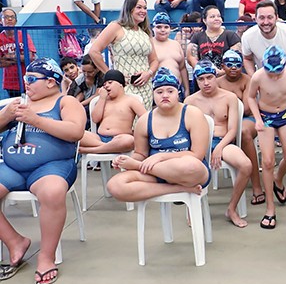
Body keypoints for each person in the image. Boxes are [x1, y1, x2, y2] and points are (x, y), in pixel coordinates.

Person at [0, 59, 85, 284]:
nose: (25, 84)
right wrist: (6, 116)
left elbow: (76, 131)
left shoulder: (65, 102)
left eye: (31, 79)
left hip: (50, 166)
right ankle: (15, 241)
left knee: (52, 192)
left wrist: (35, 120)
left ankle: (46, 257)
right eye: (25, 78)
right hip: (11, 168)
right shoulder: (18, 103)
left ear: (50, 82)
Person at [106, 68, 211, 211]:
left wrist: (157, 157)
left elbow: (197, 155)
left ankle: (179, 184)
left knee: (191, 165)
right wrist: (124, 161)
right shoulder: (144, 120)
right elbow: (141, 155)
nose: (165, 95)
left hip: (188, 174)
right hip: (156, 175)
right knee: (115, 186)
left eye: (170, 91)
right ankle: (177, 189)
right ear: (153, 94)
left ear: (178, 93)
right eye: (159, 92)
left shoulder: (192, 114)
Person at [185, 60, 252, 228]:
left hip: (223, 142)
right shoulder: (190, 101)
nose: (206, 82)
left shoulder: (229, 98)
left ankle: (232, 208)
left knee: (246, 165)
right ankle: (192, 208)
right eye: (201, 79)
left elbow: (233, 130)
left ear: (216, 77)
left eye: (209, 77)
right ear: (196, 81)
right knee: (189, 167)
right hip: (199, 145)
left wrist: (220, 148)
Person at [247, 46, 286, 228]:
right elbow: (251, 97)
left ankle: (278, 178)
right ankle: (270, 208)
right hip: (266, 116)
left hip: (285, 114)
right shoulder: (258, 76)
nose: (276, 77)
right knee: (268, 161)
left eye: (278, 73)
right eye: (272, 74)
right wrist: (257, 119)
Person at [90, 0, 159, 109]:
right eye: (139, 7)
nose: (143, 11)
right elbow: (94, 51)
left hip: (145, 88)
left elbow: (154, 60)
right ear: (129, 8)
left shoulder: (146, 32)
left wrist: (148, 73)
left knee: (143, 122)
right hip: (123, 86)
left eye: (145, 8)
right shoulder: (116, 27)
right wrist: (111, 76)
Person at [217, 49, 264, 206]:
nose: (233, 68)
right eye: (229, 65)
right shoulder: (217, 82)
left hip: (246, 118)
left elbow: (246, 107)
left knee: (243, 132)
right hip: (224, 121)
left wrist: (228, 115)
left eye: (237, 65)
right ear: (223, 66)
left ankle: (257, 186)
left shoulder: (247, 80)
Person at [241, 0, 286, 89]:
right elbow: (247, 59)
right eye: (262, 18)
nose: (266, 22)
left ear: (276, 18)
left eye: (270, 17)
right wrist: (254, 79)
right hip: (265, 79)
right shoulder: (247, 36)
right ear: (255, 19)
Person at [79, 70, 146, 154]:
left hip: (120, 138)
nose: (106, 86)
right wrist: (102, 98)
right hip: (99, 138)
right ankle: (106, 147)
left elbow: (145, 118)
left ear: (120, 84)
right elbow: (95, 119)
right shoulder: (103, 100)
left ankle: (95, 150)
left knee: (130, 140)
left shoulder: (131, 101)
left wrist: (136, 133)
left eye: (110, 82)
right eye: (104, 84)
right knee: (77, 133)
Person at [187, 5, 241, 72]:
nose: (217, 18)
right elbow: (191, 58)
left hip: (226, 76)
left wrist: (222, 72)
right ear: (204, 20)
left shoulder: (231, 35)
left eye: (219, 16)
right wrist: (205, 70)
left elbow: (236, 58)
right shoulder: (197, 37)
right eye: (212, 17)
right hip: (204, 75)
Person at [151, 12, 189, 99]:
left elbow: (182, 68)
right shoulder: (149, 44)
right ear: (153, 28)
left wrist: (187, 90)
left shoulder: (176, 44)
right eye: (159, 27)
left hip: (177, 90)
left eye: (166, 27)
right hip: (157, 90)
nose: (163, 30)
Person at [0, 7, 37, 98]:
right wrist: (20, 57)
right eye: (6, 17)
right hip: (10, 83)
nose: (9, 19)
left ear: (16, 21)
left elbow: (30, 57)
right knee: (15, 108)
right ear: (1, 20)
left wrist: (9, 56)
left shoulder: (23, 35)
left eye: (12, 17)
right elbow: (1, 63)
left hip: (28, 80)